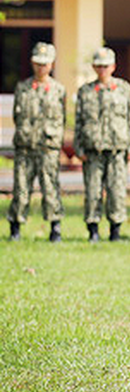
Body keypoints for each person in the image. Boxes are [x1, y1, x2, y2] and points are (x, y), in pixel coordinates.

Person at [73, 46, 130, 242]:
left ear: (113, 67)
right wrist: (79, 147)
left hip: (117, 149)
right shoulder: (85, 91)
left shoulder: (124, 88)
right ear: (94, 67)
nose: (102, 70)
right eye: (99, 66)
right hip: (93, 150)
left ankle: (115, 230)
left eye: (106, 66)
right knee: (93, 191)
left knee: (116, 191)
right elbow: (79, 122)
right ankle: (93, 230)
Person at [7, 42, 66, 242]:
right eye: (38, 63)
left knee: (50, 189)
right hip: (25, 147)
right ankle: (15, 228)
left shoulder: (58, 90)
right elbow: (17, 116)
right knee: (21, 190)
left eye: (45, 63)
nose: (41, 67)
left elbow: (62, 118)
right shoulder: (22, 88)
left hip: (48, 149)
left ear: (52, 64)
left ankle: (55, 228)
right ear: (32, 63)